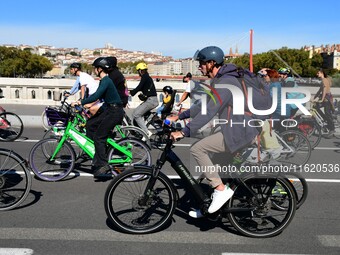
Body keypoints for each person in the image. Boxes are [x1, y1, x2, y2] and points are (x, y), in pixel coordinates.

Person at [170, 46, 259, 218]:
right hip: (236, 128)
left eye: (202, 63)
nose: (199, 67)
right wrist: (181, 115)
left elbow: (209, 111)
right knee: (214, 164)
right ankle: (210, 205)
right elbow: (205, 104)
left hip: (239, 131)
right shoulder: (223, 80)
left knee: (198, 148)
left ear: (212, 63)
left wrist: (184, 131)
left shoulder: (226, 82)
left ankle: (220, 190)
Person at [73, 57, 124, 177]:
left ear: (100, 69)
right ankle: (95, 153)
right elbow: (100, 98)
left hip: (114, 111)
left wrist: (81, 102)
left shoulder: (106, 80)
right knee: (90, 124)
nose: (94, 70)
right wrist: (88, 104)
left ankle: (103, 164)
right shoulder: (104, 81)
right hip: (108, 109)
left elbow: (96, 95)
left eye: (95, 68)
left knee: (99, 137)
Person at [130, 62, 159, 137]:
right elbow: (144, 88)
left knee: (136, 115)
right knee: (135, 112)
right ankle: (140, 131)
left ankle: (146, 133)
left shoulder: (145, 77)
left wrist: (132, 92)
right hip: (150, 100)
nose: (138, 73)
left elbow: (139, 87)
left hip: (151, 101)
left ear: (140, 70)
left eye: (138, 71)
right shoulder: (147, 77)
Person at [314, 68, 335, 136]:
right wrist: (314, 98)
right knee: (316, 106)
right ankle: (325, 120)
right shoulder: (323, 80)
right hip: (326, 98)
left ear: (322, 73)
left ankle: (332, 129)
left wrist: (322, 99)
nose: (317, 74)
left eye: (318, 73)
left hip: (327, 99)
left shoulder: (324, 80)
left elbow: (325, 90)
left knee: (327, 114)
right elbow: (320, 90)